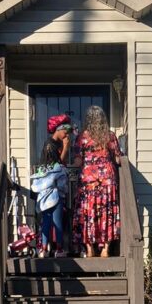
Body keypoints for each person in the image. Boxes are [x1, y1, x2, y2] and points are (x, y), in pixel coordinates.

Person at [72, 105, 121, 258]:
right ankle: (105, 249)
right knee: (107, 212)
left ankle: (89, 249)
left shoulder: (82, 137)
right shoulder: (110, 136)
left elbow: (78, 161)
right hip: (107, 180)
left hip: (89, 181)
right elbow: (118, 158)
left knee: (87, 213)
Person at [30, 139, 69, 257]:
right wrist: (62, 192)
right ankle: (59, 249)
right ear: (57, 152)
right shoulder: (59, 167)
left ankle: (43, 249)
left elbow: (36, 185)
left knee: (45, 223)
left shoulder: (41, 169)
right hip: (56, 198)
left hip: (43, 200)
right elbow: (63, 185)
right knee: (57, 223)